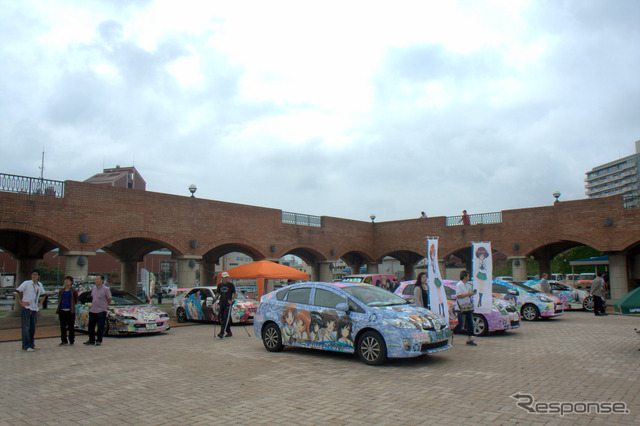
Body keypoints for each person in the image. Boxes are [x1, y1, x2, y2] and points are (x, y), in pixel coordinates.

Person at [14, 269, 46, 352]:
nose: (34, 276)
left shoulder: (39, 285)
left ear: (39, 276)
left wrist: (40, 303)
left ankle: (31, 344)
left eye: (35, 274)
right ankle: (26, 345)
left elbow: (44, 294)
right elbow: (16, 292)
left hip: (34, 309)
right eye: (32, 274)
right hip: (27, 308)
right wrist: (21, 302)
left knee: (32, 327)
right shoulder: (26, 283)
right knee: (26, 327)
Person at [84, 274, 112, 346]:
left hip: (101, 310)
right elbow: (93, 297)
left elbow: (109, 298)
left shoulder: (106, 289)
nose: (96, 281)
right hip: (93, 310)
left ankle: (99, 340)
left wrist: (105, 306)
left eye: (97, 279)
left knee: (100, 326)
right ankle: (91, 340)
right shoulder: (93, 288)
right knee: (91, 326)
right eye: (95, 279)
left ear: (102, 281)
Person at [455, 270, 477, 346]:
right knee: (460, 324)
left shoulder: (466, 285)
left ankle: (469, 338)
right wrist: (469, 294)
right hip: (461, 307)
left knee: (470, 322)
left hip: (467, 306)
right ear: (464, 276)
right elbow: (458, 296)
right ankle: (452, 333)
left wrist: (471, 294)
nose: (469, 277)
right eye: (468, 275)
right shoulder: (459, 285)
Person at [56, 276, 79, 346]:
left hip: (70, 311)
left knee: (71, 326)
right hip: (62, 310)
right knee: (62, 326)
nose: (66, 282)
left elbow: (75, 300)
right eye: (65, 280)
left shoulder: (74, 291)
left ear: (71, 282)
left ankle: (71, 340)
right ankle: (64, 340)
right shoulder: (61, 291)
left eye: (68, 280)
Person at [215, 271, 236, 338]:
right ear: (222, 278)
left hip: (228, 303)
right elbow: (218, 293)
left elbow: (234, 294)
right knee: (223, 317)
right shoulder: (220, 285)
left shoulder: (231, 285)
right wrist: (215, 297)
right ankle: (229, 332)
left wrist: (232, 300)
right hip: (222, 302)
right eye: (225, 277)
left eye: (227, 277)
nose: (227, 278)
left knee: (225, 318)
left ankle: (222, 332)